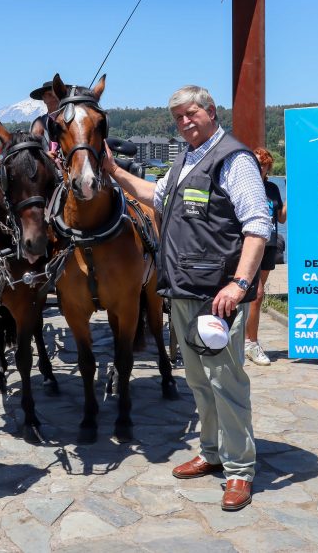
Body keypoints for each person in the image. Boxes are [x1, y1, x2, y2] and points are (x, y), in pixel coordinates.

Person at [103, 85, 270, 512]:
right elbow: (154, 196)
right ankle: (211, 451)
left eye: (191, 114)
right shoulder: (185, 159)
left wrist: (239, 284)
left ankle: (239, 469)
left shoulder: (233, 159)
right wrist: (113, 170)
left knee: (226, 381)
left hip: (219, 296)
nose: (184, 122)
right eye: (177, 117)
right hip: (182, 290)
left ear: (211, 112)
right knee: (198, 380)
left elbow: (257, 225)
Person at [243, 147, 287, 366]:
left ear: (268, 167)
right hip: (250, 244)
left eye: (263, 164)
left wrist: (292, 195)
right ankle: (251, 343)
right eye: (256, 163)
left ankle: (246, 340)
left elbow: (281, 218)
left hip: (269, 245)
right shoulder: (244, 186)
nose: (260, 167)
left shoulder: (272, 188)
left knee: (255, 296)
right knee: (257, 293)